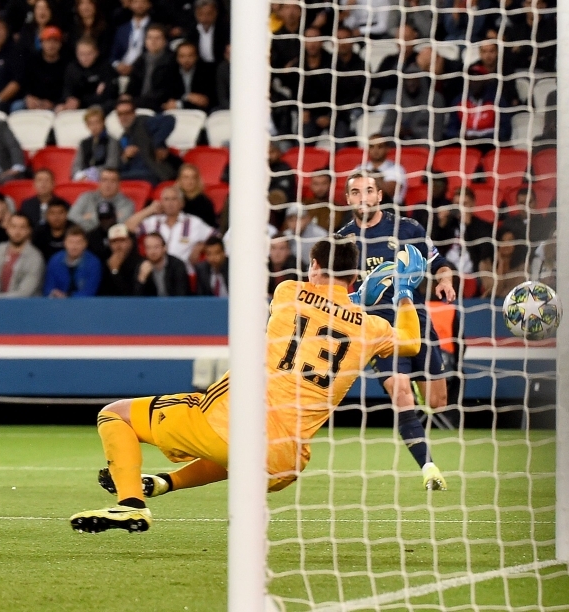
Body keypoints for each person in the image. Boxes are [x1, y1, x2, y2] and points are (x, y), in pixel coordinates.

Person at [69, 238, 425, 532]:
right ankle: (166, 482)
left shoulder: (289, 292)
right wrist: (404, 292)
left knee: (115, 415)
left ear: (314, 266)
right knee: (241, 458)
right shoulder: (372, 327)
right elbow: (411, 342)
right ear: (353, 275)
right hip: (286, 461)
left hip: (232, 423)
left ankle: (131, 504)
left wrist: (355, 295)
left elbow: (322, 311)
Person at [337, 172, 453, 489]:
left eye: (369, 190)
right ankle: (429, 469)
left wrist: (444, 279)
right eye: (356, 191)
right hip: (378, 331)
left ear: (380, 197)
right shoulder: (341, 241)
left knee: (438, 401)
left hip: (415, 322)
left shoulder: (408, 229)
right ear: (348, 199)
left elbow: (438, 261)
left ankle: (416, 388)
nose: (363, 196)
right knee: (401, 395)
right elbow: (332, 291)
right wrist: (356, 300)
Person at [125, 185, 215, 273]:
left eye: (174, 199)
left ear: (182, 203)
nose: (170, 203)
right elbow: (127, 228)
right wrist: (149, 210)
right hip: (155, 273)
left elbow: (216, 237)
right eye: (166, 199)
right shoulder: (153, 222)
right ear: (161, 203)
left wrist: (201, 246)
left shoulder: (194, 222)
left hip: (183, 273)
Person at [0, 212, 45, 297]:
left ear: (28, 230)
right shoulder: (0, 249)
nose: (17, 231)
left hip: (25, 307)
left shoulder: (35, 258)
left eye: (22, 227)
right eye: (13, 226)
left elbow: (25, 293)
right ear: (7, 228)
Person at [59, 37, 118, 114]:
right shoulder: (72, 69)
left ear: (96, 52)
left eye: (89, 54)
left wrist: (81, 101)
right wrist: (69, 99)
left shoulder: (105, 67)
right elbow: (67, 91)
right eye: (81, 54)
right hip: (75, 109)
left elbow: (108, 95)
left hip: (101, 110)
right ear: (76, 53)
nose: (85, 58)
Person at [124, 24, 174, 112]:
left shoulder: (171, 61)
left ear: (165, 41)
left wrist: (133, 101)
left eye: (157, 38)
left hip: (159, 104)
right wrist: (127, 95)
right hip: (138, 101)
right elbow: (132, 84)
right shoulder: (140, 60)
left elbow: (165, 91)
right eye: (149, 38)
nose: (153, 41)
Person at [43, 225, 102, 298]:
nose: (74, 246)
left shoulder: (93, 263)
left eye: (78, 242)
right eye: (71, 242)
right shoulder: (55, 261)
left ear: (85, 244)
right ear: (64, 243)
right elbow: (48, 288)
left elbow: (89, 292)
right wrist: (53, 293)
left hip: (84, 305)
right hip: (58, 304)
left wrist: (67, 297)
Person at [69, 167, 135, 232]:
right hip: (86, 237)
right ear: (99, 183)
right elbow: (71, 217)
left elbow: (121, 224)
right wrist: (110, 217)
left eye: (113, 181)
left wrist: (89, 216)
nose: (108, 185)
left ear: (119, 184)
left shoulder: (127, 203)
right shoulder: (86, 197)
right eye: (104, 180)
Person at [18, 25, 66, 111]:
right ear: (41, 43)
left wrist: (54, 103)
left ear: (60, 44)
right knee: (17, 106)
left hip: (57, 104)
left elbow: (67, 89)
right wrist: (28, 97)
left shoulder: (67, 63)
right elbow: (24, 84)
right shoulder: (32, 61)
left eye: (55, 41)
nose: (51, 45)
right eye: (48, 41)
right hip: (35, 102)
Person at [70, 106, 120, 181]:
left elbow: (112, 164)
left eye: (97, 122)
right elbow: (76, 165)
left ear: (103, 123)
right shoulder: (84, 143)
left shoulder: (111, 141)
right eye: (91, 123)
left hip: (104, 179)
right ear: (87, 125)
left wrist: (93, 174)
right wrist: (80, 175)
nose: (94, 127)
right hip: (83, 180)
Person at [134, 232, 189, 297]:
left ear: (164, 248)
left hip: (173, 305)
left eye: (156, 247)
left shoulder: (177, 265)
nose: (152, 251)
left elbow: (182, 294)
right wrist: (141, 278)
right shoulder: (141, 266)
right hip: (152, 306)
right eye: (148, 247)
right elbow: (137, 299)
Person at [98, 223, 140, 296]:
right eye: (114, 241)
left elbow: (132, 295)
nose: (118, 245)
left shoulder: (139, 263)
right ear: (109, 244)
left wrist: (115, 271)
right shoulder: (105, 264)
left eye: (122, 240)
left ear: (130, 242)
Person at [283, 202, 326, 268]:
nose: (295, 223)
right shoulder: (285, 236)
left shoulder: (320, 235)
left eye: (299, 218)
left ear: (307, 218)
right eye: (291, 220)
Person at [175, 163, 216, 227]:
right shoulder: (173, 200)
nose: (189, 181)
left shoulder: (205, 203)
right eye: (186, 177)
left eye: (193, 178)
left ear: (197, 180)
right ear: (179, 180)